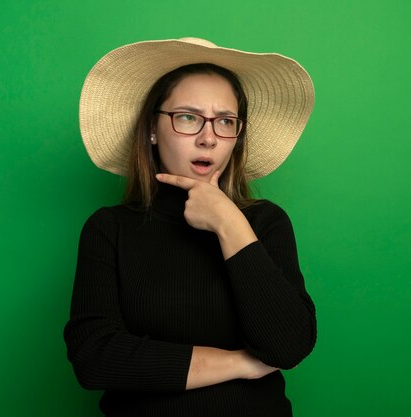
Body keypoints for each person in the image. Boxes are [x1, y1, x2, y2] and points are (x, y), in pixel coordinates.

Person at [64, 37, 317, 417]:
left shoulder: (266, 222)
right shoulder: (109, 228)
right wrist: (242, 365)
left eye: (225, 121)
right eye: (187, 117)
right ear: (152, 128)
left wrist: (228, 222)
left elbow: (288, 346)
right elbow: (96, 358)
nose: (208, 137)